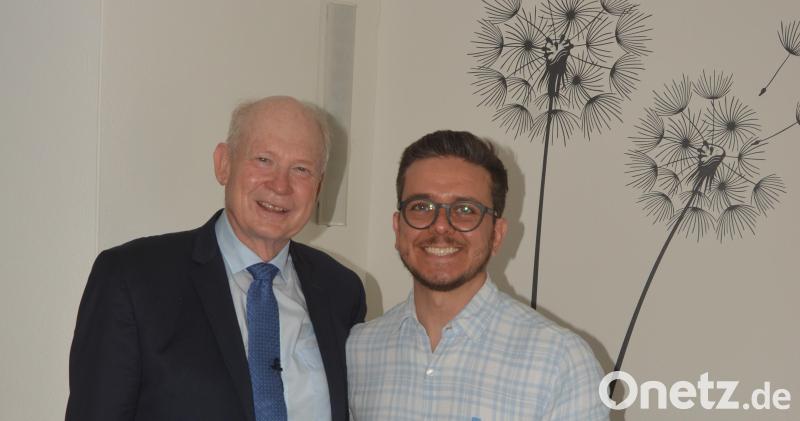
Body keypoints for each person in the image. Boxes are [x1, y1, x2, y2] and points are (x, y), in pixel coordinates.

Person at [66, 96, 366, 421]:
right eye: (264, 160)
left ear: (318, 188)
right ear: (223, 164)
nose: (280, 185)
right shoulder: (132, 279)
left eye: (301, 169)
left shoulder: (341, 291)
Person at [346, 130, 607, 420]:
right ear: (398, 228)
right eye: (421, 207)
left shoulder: (560, 362)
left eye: (465, 210)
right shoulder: (358, 349)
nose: (441, 226)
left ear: (497, 234)